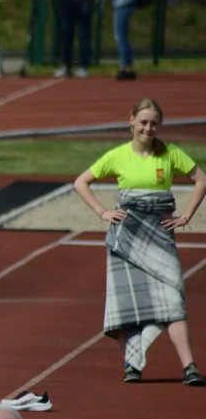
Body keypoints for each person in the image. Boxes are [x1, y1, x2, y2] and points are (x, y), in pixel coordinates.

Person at [73, 98, 206, 385]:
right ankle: (131, 366)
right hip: (126, 238)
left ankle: (190, 368)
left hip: (159, 235)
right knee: (126, 306)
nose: (148, 128)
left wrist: (184, 217)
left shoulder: (171, 153)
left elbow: (202, 180)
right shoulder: (117, 155)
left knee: (173, 298)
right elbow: (80, 182)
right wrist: (102, 212)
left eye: (154, 123)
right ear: (131, 120)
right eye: (143, 121)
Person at [53, 0, 105, 78]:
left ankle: (83, 66)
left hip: (85, 0)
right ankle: (66, 64)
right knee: (66, 33)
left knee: (84, 33)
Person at [106, 0, 142, 81]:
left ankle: (124, 67)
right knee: (123, 36)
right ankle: (127, 66)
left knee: (120, 36)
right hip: (126, 4)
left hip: (123, 4)